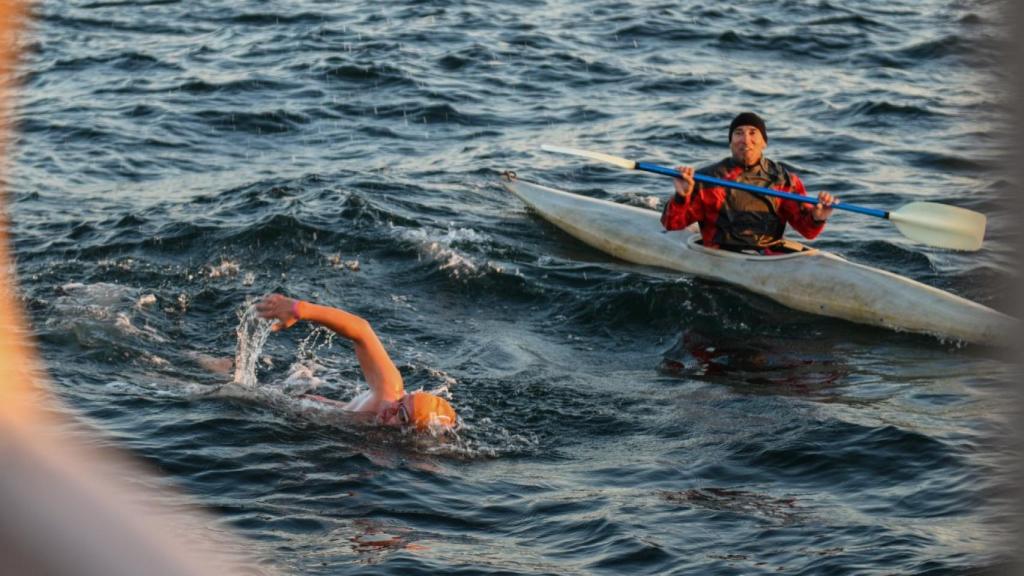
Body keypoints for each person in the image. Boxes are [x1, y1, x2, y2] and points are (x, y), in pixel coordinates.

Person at [254, 293, 457, 432]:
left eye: (402, 415)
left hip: (292, 412)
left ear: (412, 430)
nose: (391, 408)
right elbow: (361, 330)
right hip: (281, 400)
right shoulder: (390, 391)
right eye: (401, 401)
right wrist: (301, 309)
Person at [661, 112, 837, 253]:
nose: (745, 139)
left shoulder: (785, 181)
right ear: (731, 142)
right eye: (739, 133)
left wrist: (817, 217)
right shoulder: (707, 179)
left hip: (768, 258)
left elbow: (808, 232)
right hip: (719, 257)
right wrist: (681, 197)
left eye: (753, 132)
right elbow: (671, 224)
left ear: (764, 143)